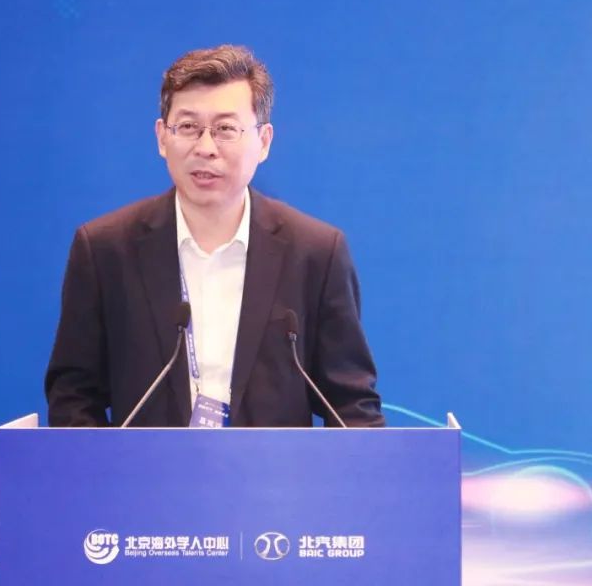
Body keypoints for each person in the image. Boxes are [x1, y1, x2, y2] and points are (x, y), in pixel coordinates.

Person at [45, 45, 385, 427]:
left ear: (264, 141)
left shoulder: (316, 253)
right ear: (161, 137)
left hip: (275, 469)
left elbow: (350, 406)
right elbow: (73, 397)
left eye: (225, 129)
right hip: (148, 468)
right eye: (188, 127)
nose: (205, 148)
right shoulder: (105, 250)